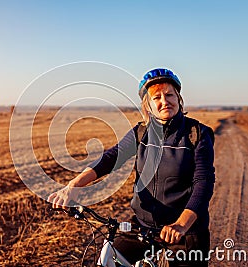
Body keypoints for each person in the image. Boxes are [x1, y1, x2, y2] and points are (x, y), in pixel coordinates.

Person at [48, 68, 215, 266]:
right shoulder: (140, 133)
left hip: (184, 231)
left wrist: (181, 224)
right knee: (109, 260)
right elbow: (110, 158)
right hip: (143, 227)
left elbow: (203, 183)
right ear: (148, 106)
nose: (164, 101)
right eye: (157, 97)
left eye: (169, 95)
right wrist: (73, 185)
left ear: (178, 98)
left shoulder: (197, 134)